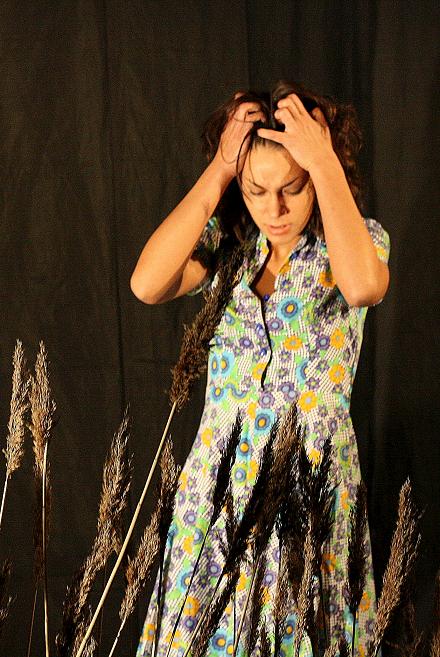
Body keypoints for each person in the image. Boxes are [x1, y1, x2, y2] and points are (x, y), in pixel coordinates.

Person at [131, 81, 390, 656]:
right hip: (217, 492)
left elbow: (364, 287)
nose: (275, 210)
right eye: (257, 191)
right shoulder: (229, 248)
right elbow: (146, 284)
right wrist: (221, 172)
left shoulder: (355, 242)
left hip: (309, 490)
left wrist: (323, 160)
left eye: (292, 189)